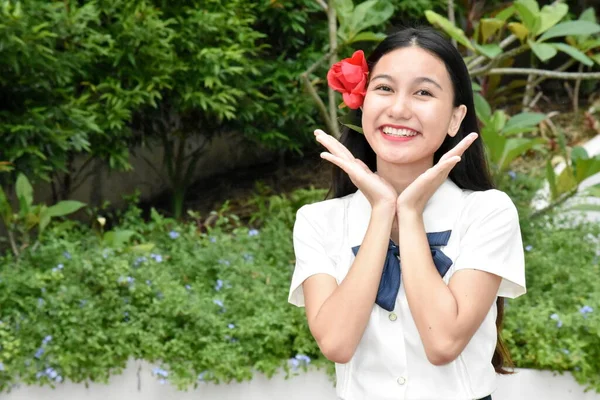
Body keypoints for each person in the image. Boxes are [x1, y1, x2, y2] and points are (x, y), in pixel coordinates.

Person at [288, 26, 526, 400]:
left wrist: (410, 214)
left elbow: (443, 343)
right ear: (362, 102)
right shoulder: (318, 222)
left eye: (423, 92)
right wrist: (383, 210)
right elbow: (336, 342)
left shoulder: (487, 213)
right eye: (384, 88)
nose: (398, 108)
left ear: (454, 118)